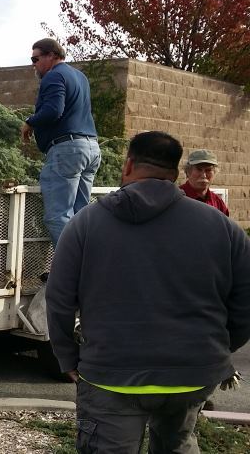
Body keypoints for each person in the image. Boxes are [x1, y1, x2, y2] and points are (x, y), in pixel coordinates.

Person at [46, 131, 250, 454]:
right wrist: (218, 346)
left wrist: (66, 356)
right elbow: (245, 301)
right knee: (178, 444)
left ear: (128, 165)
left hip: (110, 374)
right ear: (176, 172)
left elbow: (58, 299)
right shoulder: (222, 227)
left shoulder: (85, 224)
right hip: (193, 373)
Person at [20, 38, 101, 248]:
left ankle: (72, 265)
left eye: (35, 59)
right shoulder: (80, 76)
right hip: (91, 148)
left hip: (68, 150)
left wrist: (30, 122)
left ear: (52, 56)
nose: (33, 64)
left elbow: (53, 110)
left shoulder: (53, 75)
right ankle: (89, 262)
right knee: (80, 214)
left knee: (58, 216)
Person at [180, 149, 229, 216]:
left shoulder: (217, 202)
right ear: (188, 172)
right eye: (199, 169)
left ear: (215, 173)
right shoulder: (177, 198)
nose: (204, 175)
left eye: (208, 170)